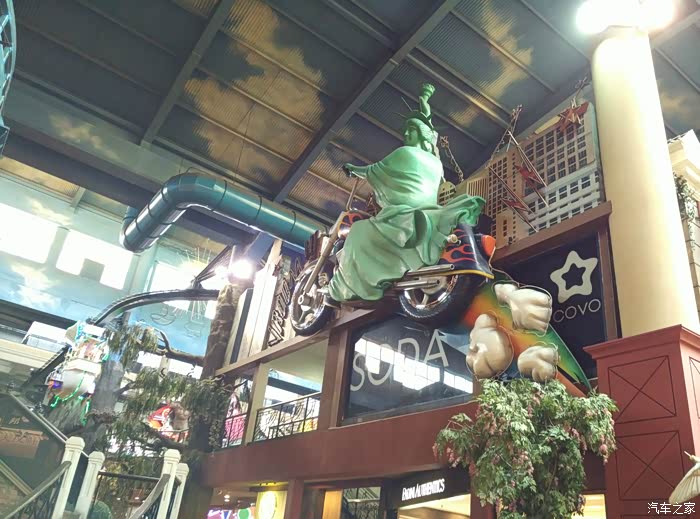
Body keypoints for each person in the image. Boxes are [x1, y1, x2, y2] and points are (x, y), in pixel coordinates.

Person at [325, 84, 486, 303]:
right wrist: (424, 102)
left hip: (404, 215)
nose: (407, 134)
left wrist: (354, 170)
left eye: (412, 130)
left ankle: (349, 285)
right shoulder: (436, 164)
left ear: (421, 135)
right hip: (429, 212)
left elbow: (374, 170)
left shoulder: (404, 154)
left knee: (359, 231)